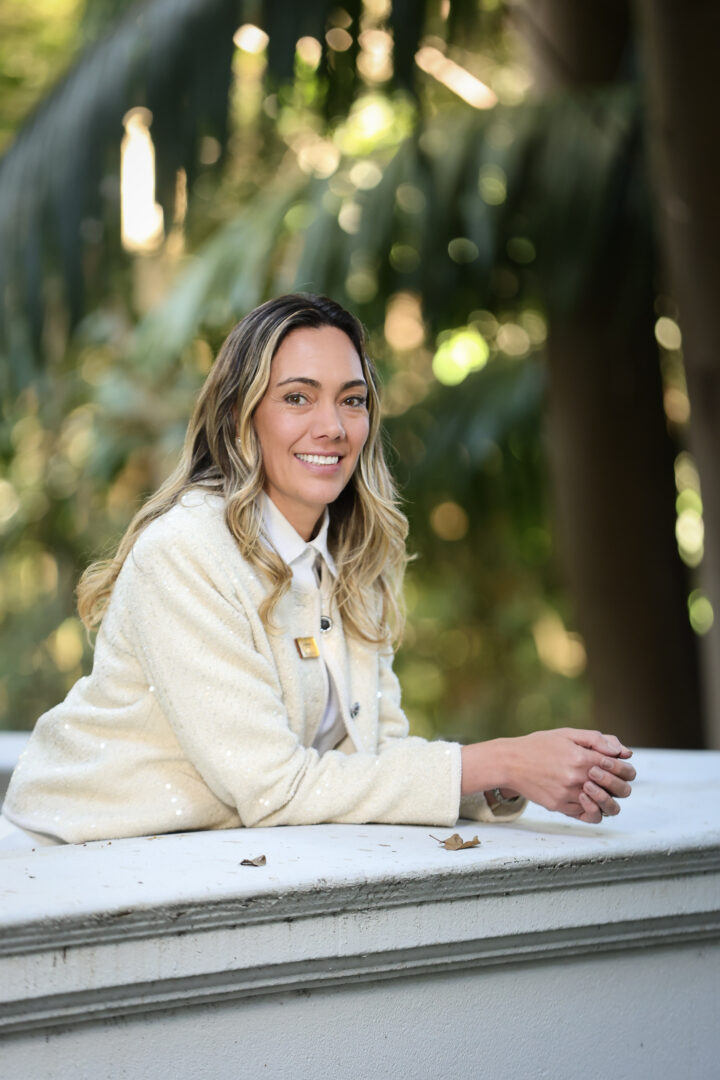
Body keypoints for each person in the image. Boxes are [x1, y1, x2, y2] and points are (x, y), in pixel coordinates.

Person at [1, 294, 634, 848]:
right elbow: (273, 787)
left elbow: (373, 759)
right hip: (81, 859)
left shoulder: (354, 556)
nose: (331, 427)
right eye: (297, 398)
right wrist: (501, 760)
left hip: (218, 862)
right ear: (240, 414)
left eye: (351, 401)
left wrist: (510, 778)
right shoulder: (185, 552)